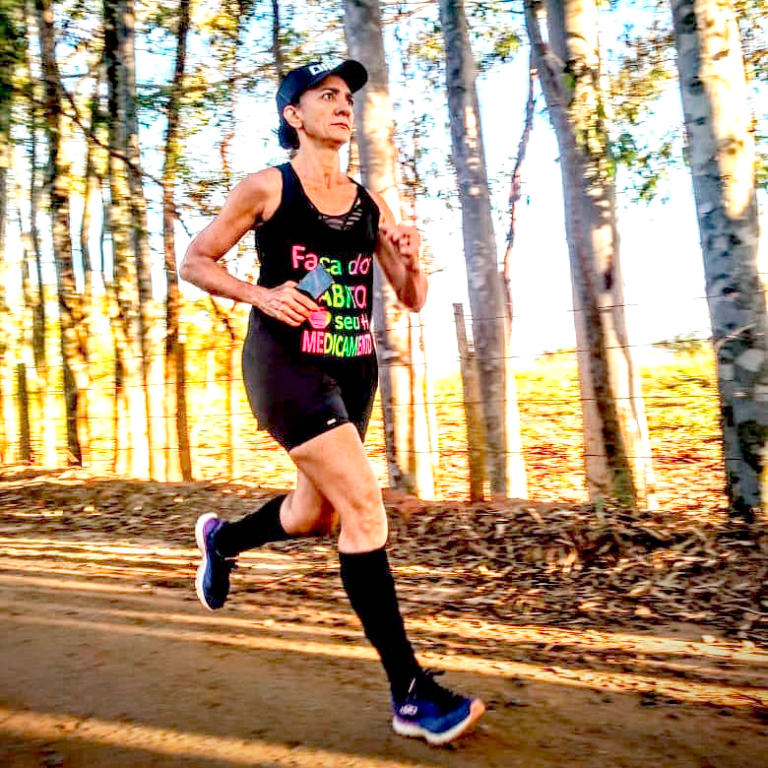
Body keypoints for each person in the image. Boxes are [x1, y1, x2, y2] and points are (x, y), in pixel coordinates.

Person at [179, 59, 485, 746]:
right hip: (285, 365)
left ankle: (223, 541)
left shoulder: (368, 202)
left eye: (346, 97)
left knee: (313, 512)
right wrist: (259, 294)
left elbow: (412, 298)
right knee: (365, 505)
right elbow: (194, 261)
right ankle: (410, 694)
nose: (342, 106)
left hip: (352, 372)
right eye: (326, 96)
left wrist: (411, 254)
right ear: (295, 115)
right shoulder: (265, 187)